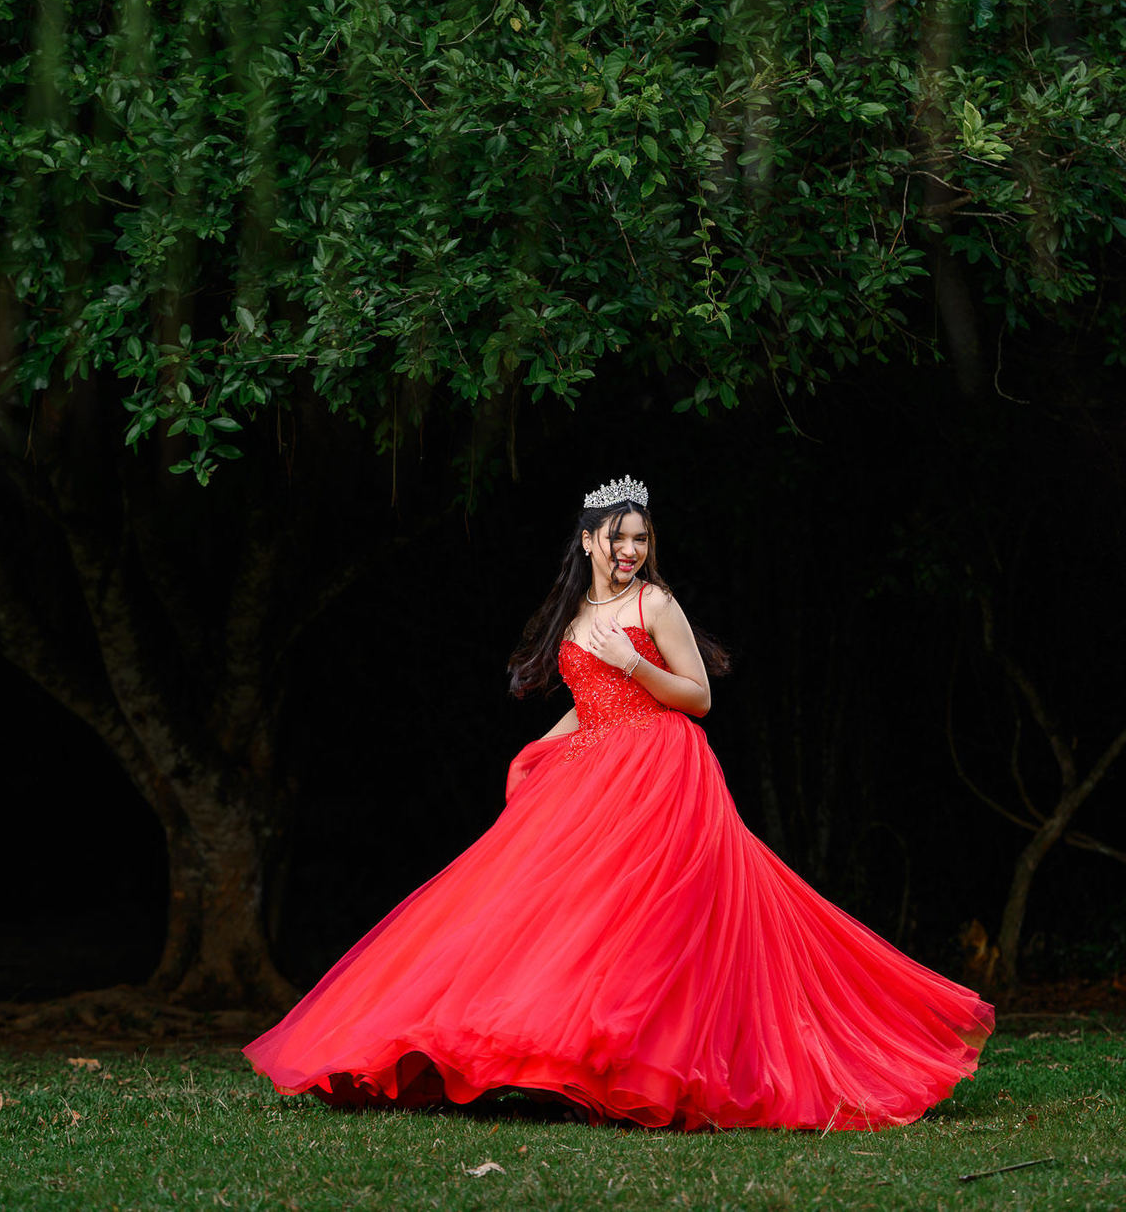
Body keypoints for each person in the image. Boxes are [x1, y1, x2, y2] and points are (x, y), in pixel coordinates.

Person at [244, 475, 994, 1130]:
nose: (630, 549)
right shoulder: (574, 615)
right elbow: (588, 702)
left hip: (662, 766)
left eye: (640, 537)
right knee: (556, 915)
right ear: (588, 540)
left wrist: (636, 660)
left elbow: (697, 697)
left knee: (648, 918)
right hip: (597, 766)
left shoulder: (655, 602)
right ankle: (553, 1055)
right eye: (618, 537)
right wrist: (535, 748)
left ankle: (646, 1066)